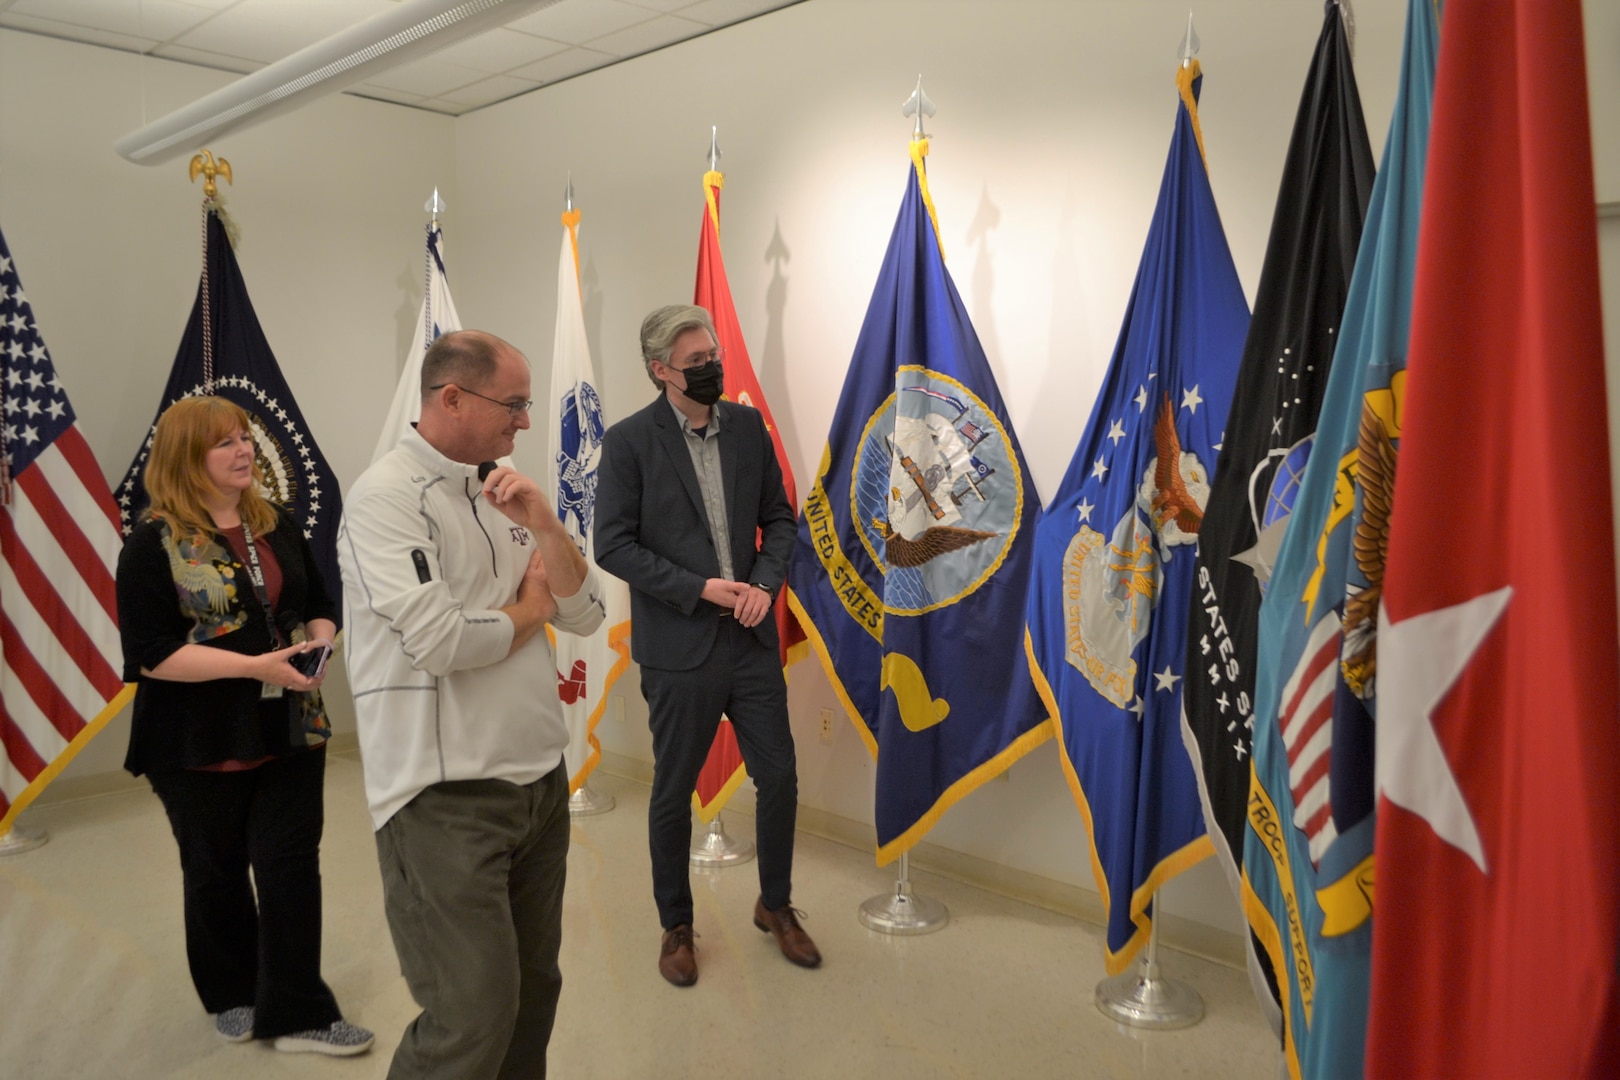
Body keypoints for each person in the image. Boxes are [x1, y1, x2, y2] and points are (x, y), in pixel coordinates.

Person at [337, 329, 603, 1079]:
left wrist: (547, 527)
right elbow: (443, 643)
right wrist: (528, 611)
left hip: (538, 781)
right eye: (513, 405)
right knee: (471, 1013)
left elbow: (586, 613)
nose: (524, 422)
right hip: (443, 795)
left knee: (534, 992)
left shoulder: (505, 492)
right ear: (451, 398)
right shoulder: (384, 499)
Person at [116, 396, 374, 1056]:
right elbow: (152, 654)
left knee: (290, 865)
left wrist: (320, 643)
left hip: (289, 722)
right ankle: (230, 991)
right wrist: (256, 663)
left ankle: (295, 1010)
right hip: (196, 738)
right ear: (184, 460)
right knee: (215, 869)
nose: (244, 451)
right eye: (224, 443)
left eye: (244, 438)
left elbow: (318, 601)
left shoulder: (275, 521)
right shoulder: (152, 544)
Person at [594, 304, 820, 988]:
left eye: (713, 355)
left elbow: (780, 520)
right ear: (660, 371)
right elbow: (613, 544)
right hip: (680, 644)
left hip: (749, 638)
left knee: (778, 775)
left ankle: (774, 903)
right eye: (696, 363)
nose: (711, 368)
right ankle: (677, 925)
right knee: (672, 791)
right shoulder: (630, 442)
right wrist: (700, 588)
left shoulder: (748, 428)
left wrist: (761, 584)